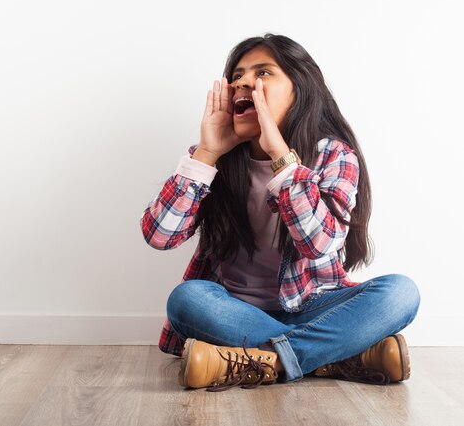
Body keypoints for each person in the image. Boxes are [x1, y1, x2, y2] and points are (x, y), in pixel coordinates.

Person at [139, 33, 421, 391]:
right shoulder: (212, 159)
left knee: (401, 293)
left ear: (299, 90)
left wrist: (280, 156)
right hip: (234, 312)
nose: (242, 81)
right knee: (186, 300)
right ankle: (342, 356)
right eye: (237, 74)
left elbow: (319, 244)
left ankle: (260, 361)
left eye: (262, 73)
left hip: (315, 307)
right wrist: (207, 154)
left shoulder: (334, 155)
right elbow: (159, 236)